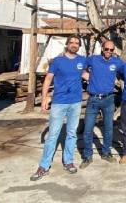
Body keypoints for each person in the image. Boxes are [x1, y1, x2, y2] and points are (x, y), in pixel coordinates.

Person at [30, 35, 87, 181]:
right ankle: (44, 165)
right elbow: (48, 79)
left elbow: (85, 74)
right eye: (72, 42)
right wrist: (44, 98)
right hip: (59, 102)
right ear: (67, 45)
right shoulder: (58, 61)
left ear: (79, 46)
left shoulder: (82, 60)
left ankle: (68, 162)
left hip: (75, 102)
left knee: (72, 133)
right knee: (53, 135)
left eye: (77, 43)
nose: (74, 45)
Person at [80, 40, 123, 169]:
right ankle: (87, 156)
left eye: (111, 50)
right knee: (88, 129)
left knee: (108, 129)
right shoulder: (93, 59)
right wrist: (84, 74)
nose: (108, 52)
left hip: (108, 99)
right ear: (102, 49)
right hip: (93, 99)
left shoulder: (117, 62)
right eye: (106, 49)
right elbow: (77, 64)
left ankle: (106, 153)